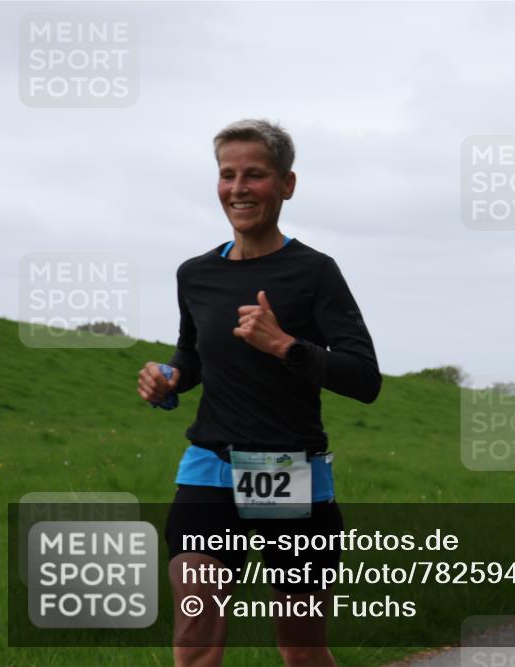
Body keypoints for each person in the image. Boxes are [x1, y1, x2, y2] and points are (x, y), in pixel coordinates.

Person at [137, 119, 381, 667]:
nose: (239, 187)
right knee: (195, 629)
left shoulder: (315, 272)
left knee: (300, 647)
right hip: (208, 472)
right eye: (228, 174)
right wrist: (169, 379)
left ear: (287, 185)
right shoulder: (195, 274)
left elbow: (365, 379)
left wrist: (286, 346)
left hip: (288, 474)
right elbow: (192, 354)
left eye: (255, 174)